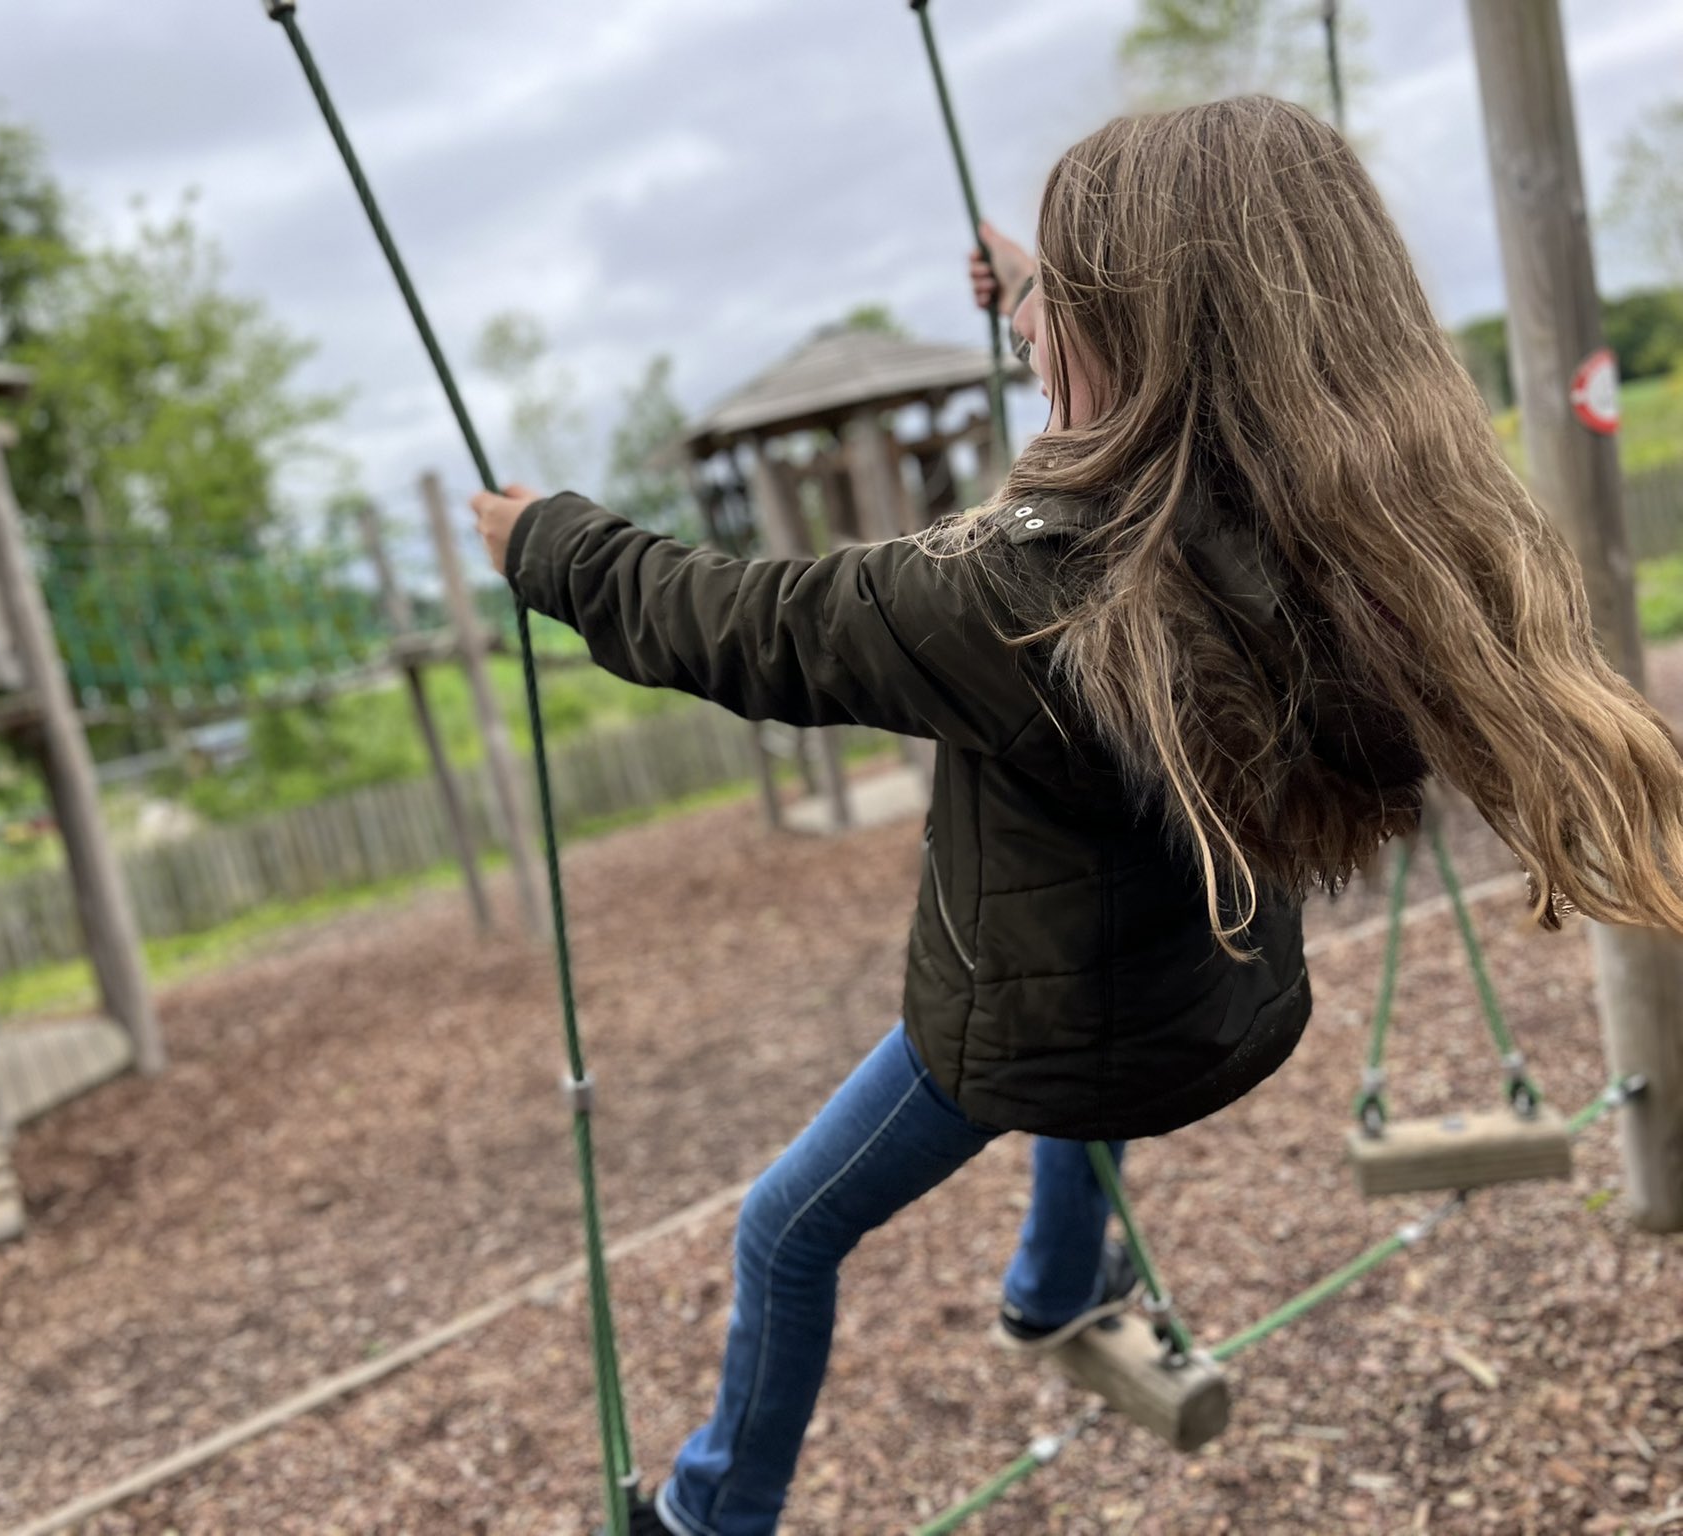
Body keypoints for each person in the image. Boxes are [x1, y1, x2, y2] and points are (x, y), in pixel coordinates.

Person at [469, 96, 1683, 1536]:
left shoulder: (1018, 600)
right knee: (1083, 1021)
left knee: (784, 1232)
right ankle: (1057, 1284)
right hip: (1222, 1010)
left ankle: (707, 1510)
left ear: (1140, 329)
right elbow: (1162, 357)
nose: (1031, 336)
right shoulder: (1348, 522)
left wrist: (548, 541)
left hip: (1039, 1046)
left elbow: (743, 624)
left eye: (1060, 306)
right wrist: (1037, 279)